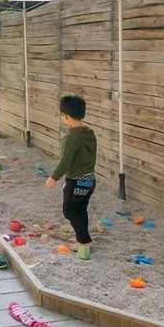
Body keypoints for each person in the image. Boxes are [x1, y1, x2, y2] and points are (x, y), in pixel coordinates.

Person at [45, 95, 98, 258]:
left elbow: (65, 162)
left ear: (65, 116)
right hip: (90, 180)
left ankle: (84, 241)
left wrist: (53, 177)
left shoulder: (71, 137)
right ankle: (81, 236)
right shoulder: (89, 133)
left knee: (69, 211)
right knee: (80, 210)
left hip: (76, 182)